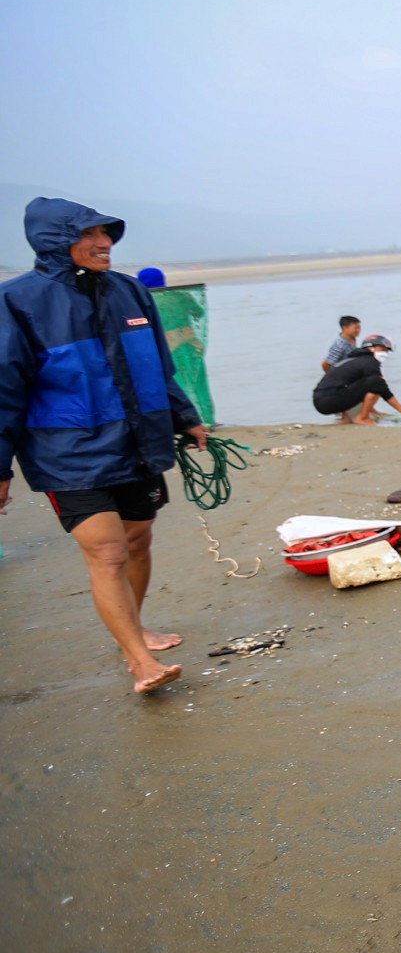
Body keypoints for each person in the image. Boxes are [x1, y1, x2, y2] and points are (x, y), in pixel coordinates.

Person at [0, 198, 210, 695]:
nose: (104, 244)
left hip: (135, 444)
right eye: (89, 235)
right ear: (56, 241)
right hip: (67, 453)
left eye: (107, 234)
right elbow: (5, 387)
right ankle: (140, 662)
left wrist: (186, 417)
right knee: (109, 553)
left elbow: (160, 368)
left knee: (138, 540)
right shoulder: (18, 301)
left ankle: (132, 631)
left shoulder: (130, 291)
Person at [311, 335, 401, 425]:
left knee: (364, 382)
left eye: (387, 351)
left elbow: (355, 387)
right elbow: (382, 389)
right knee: (377, 382)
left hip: (320, 400)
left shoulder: (352, 360)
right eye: (382, 349)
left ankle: (346, 418)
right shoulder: (370, 362)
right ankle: (362, 418)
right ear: (370, 348)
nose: (385, 353)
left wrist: (372, 409)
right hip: (329, 400)